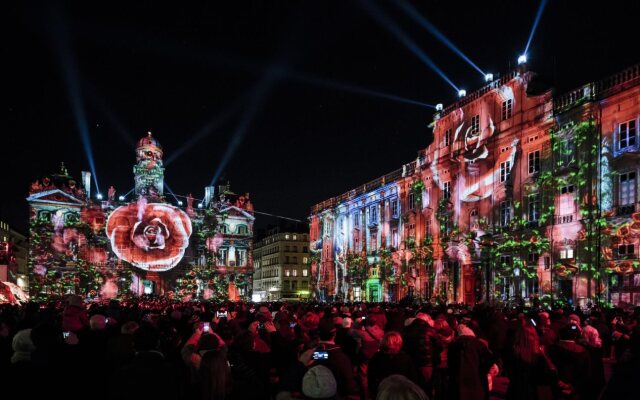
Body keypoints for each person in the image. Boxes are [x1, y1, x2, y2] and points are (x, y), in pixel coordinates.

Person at [368, 331, 420, 399]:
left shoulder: (377, 357)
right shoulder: (405, 358)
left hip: (384, 392)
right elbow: (412, 377)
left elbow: (371, 377)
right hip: (401, 392)